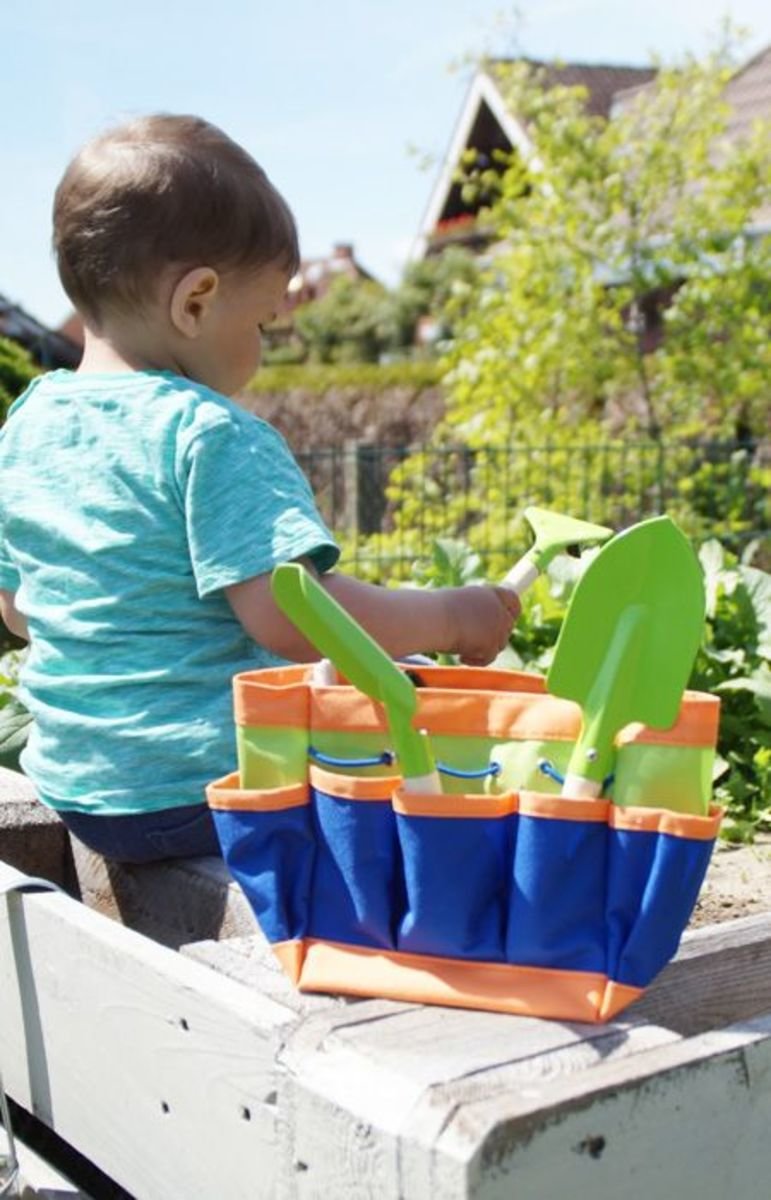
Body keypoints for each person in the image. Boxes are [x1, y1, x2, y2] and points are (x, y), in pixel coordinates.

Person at [0, 114, 520, 864]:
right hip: (205, 787)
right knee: (424, 789)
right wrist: (452, 615)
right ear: (196, 302)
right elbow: (297, 615)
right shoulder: (208, 433)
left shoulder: (30, 423)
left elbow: (18, 610)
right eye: (264, 324)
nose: (265, 349)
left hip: (79, 788)